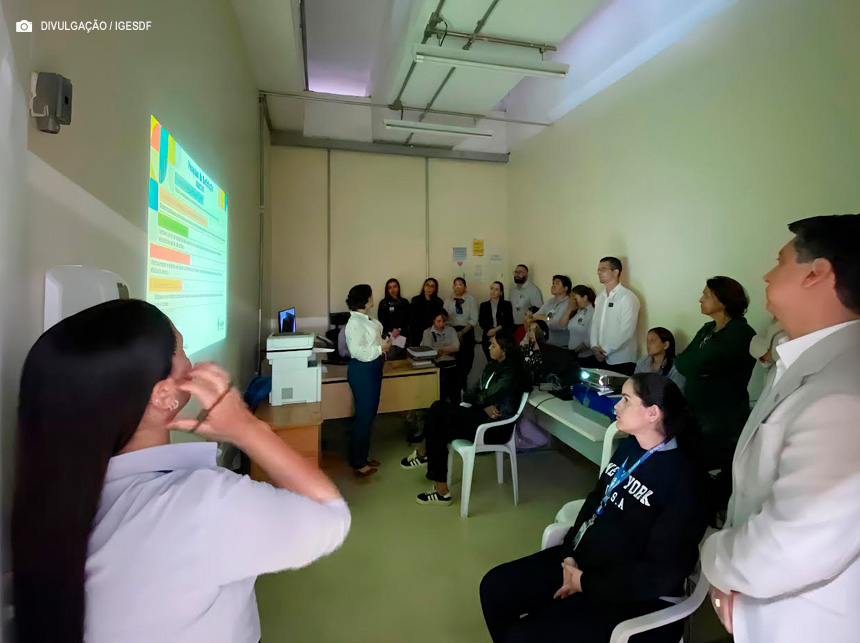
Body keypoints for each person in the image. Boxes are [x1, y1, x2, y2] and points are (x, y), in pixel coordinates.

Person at [11, 299, 350, 643]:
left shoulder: (47, 505)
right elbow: (330, 517)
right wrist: (246, 427)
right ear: (163, 396)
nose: (195, 362)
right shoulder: (202, 505)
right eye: (183, 350)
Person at [702, 214, 860, 643]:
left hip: (803, 621)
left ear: (817, 273)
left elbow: (794, 545)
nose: (768, 275)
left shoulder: (845, 393)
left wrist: (711, 552)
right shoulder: (800, 354)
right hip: (762, 604)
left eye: (780, 261)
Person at [480, 373, 708, 643]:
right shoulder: (629, 447)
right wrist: (569, 554)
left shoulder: (685, 479)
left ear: (653, 413)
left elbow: (661, 573)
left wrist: (584, 583)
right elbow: (596, 499)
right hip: (583, 562)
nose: (615, 407)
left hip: (630, 592)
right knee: (494, 588)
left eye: (624, 400)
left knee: (523, 637)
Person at [400, 333, 530, 505]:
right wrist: (482, 403)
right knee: (438, 425)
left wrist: (481, 400)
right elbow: (470, 394)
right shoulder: (492, 366)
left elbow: (482, 395)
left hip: (493, 428)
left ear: (504, 350)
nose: (489, 348)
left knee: (437, 409)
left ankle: (423, 453)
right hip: (481, 416)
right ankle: (441, 490)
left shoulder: (511, 372)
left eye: (493, 346)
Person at [674, 276, 755, 503]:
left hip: (720, 419)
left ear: (724, 300)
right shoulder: (708, 328)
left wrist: (696, 366)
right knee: (688, 466)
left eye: (707, 295)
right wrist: (696, 367)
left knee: (705, 471)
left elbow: (699, 363)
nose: (701, 299)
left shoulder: (740, 333)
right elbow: (682, 363)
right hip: (696, 412)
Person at [344, 284, 391, 477]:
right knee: (364, 416)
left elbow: (373, 338)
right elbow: (359, 352)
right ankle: (358, 462)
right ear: (365, 300)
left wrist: (384, 344)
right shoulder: (354, 323)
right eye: (371, 295)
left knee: (369, 415)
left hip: (372, 368)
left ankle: (363, 455)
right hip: (363, 370)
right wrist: (382, 348)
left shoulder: (365, 319)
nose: (374, 297)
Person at [585, 257, 640, 375]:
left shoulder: (627, 297)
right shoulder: (600, 297)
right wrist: (594, 346)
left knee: (618, 392)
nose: (598, 272)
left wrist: (605, 351)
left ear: (615, 272)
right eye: (598, 269)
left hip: (621, 359)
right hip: (599, 356)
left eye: (603, 269)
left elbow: (627, 331)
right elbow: (595, 324)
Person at [444, 277, 479, 393]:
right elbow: (444, 317)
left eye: (460, 284)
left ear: (465, 287)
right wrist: (453, 333)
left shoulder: (471, 299)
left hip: (467, 331)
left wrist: (462, 333)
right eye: (456, 285)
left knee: (466, 364)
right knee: (455, 364)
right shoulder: (448, 300)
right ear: (453, 287)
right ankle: (455, 392)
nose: (458, 287)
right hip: (451, 332)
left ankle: (463, 390)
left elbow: (474, 319)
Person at [421, 310, 461, 402]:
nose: (441, 324)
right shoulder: (427, 332)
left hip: (451, 363)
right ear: (433, 320)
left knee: (454, 382)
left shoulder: (451, 330)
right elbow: (428, 350)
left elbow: (456, 346)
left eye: (444, 321)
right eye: (438, 321)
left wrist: (440, 350)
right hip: (435, 363)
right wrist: (445, 350)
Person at [635, 327, 686, 391]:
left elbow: (676, 394)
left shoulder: (676, 368)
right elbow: (634, 383)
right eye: (647, 340)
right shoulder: (643, 362)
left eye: (652, 341)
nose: (648, 344)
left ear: (666, 345)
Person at [533, 275, 573, 347]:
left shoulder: (568, 303)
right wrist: (548, 319)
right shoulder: (550, 301)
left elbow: (556, 325)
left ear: (565, 288)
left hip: (561, 345)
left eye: (557, 283)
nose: (553, 286)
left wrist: (545, 318)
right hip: (547, 342)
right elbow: (534, 316)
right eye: (553, 283)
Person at [479, 281, 515, 361]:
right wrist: (490, 330)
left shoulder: (507, 304)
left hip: (502, 337)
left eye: (496, 289)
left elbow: (509, 321)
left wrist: (496, 329)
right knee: (490, 361)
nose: (493, 291)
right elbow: (481, 322)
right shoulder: (484, 305)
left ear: (501, 292)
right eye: (492, 289)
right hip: (488, 337)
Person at [560, 284, 596, 358]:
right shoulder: (578, 311)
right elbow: (562, 324)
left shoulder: (593, 312)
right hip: (572, 352)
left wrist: (576, 351)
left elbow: (591, 337)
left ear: (585, 297)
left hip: (585, 355)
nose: (574, 301)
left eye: (575, 299)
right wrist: (569, 309)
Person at [510, 264, 543, 337]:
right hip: (513, 327)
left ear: (527, 275)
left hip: (526, 328)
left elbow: (538, 310)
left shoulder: (533, 290)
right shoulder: (512, 289)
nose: (517, 274)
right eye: (516, 272)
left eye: (520, 272)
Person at [410, 278, 444, 346]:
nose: (429, 288)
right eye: (427, 285)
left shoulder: (438, 302)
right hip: (417, 332)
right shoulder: (415, 300)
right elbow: (412, 318)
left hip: (432, 332)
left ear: (435, 289)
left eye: (432, 286)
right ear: (424, 287)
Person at [378, 277, 410, 349]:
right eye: (390, 287)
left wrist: (399, 329)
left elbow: (408, 319)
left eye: (395, 287)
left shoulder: (404, 302)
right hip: (388, 335)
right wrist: (391, 331)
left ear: (398, 288)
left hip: (403, 335)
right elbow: (381, 320)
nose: (393, 290)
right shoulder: (383, 303)